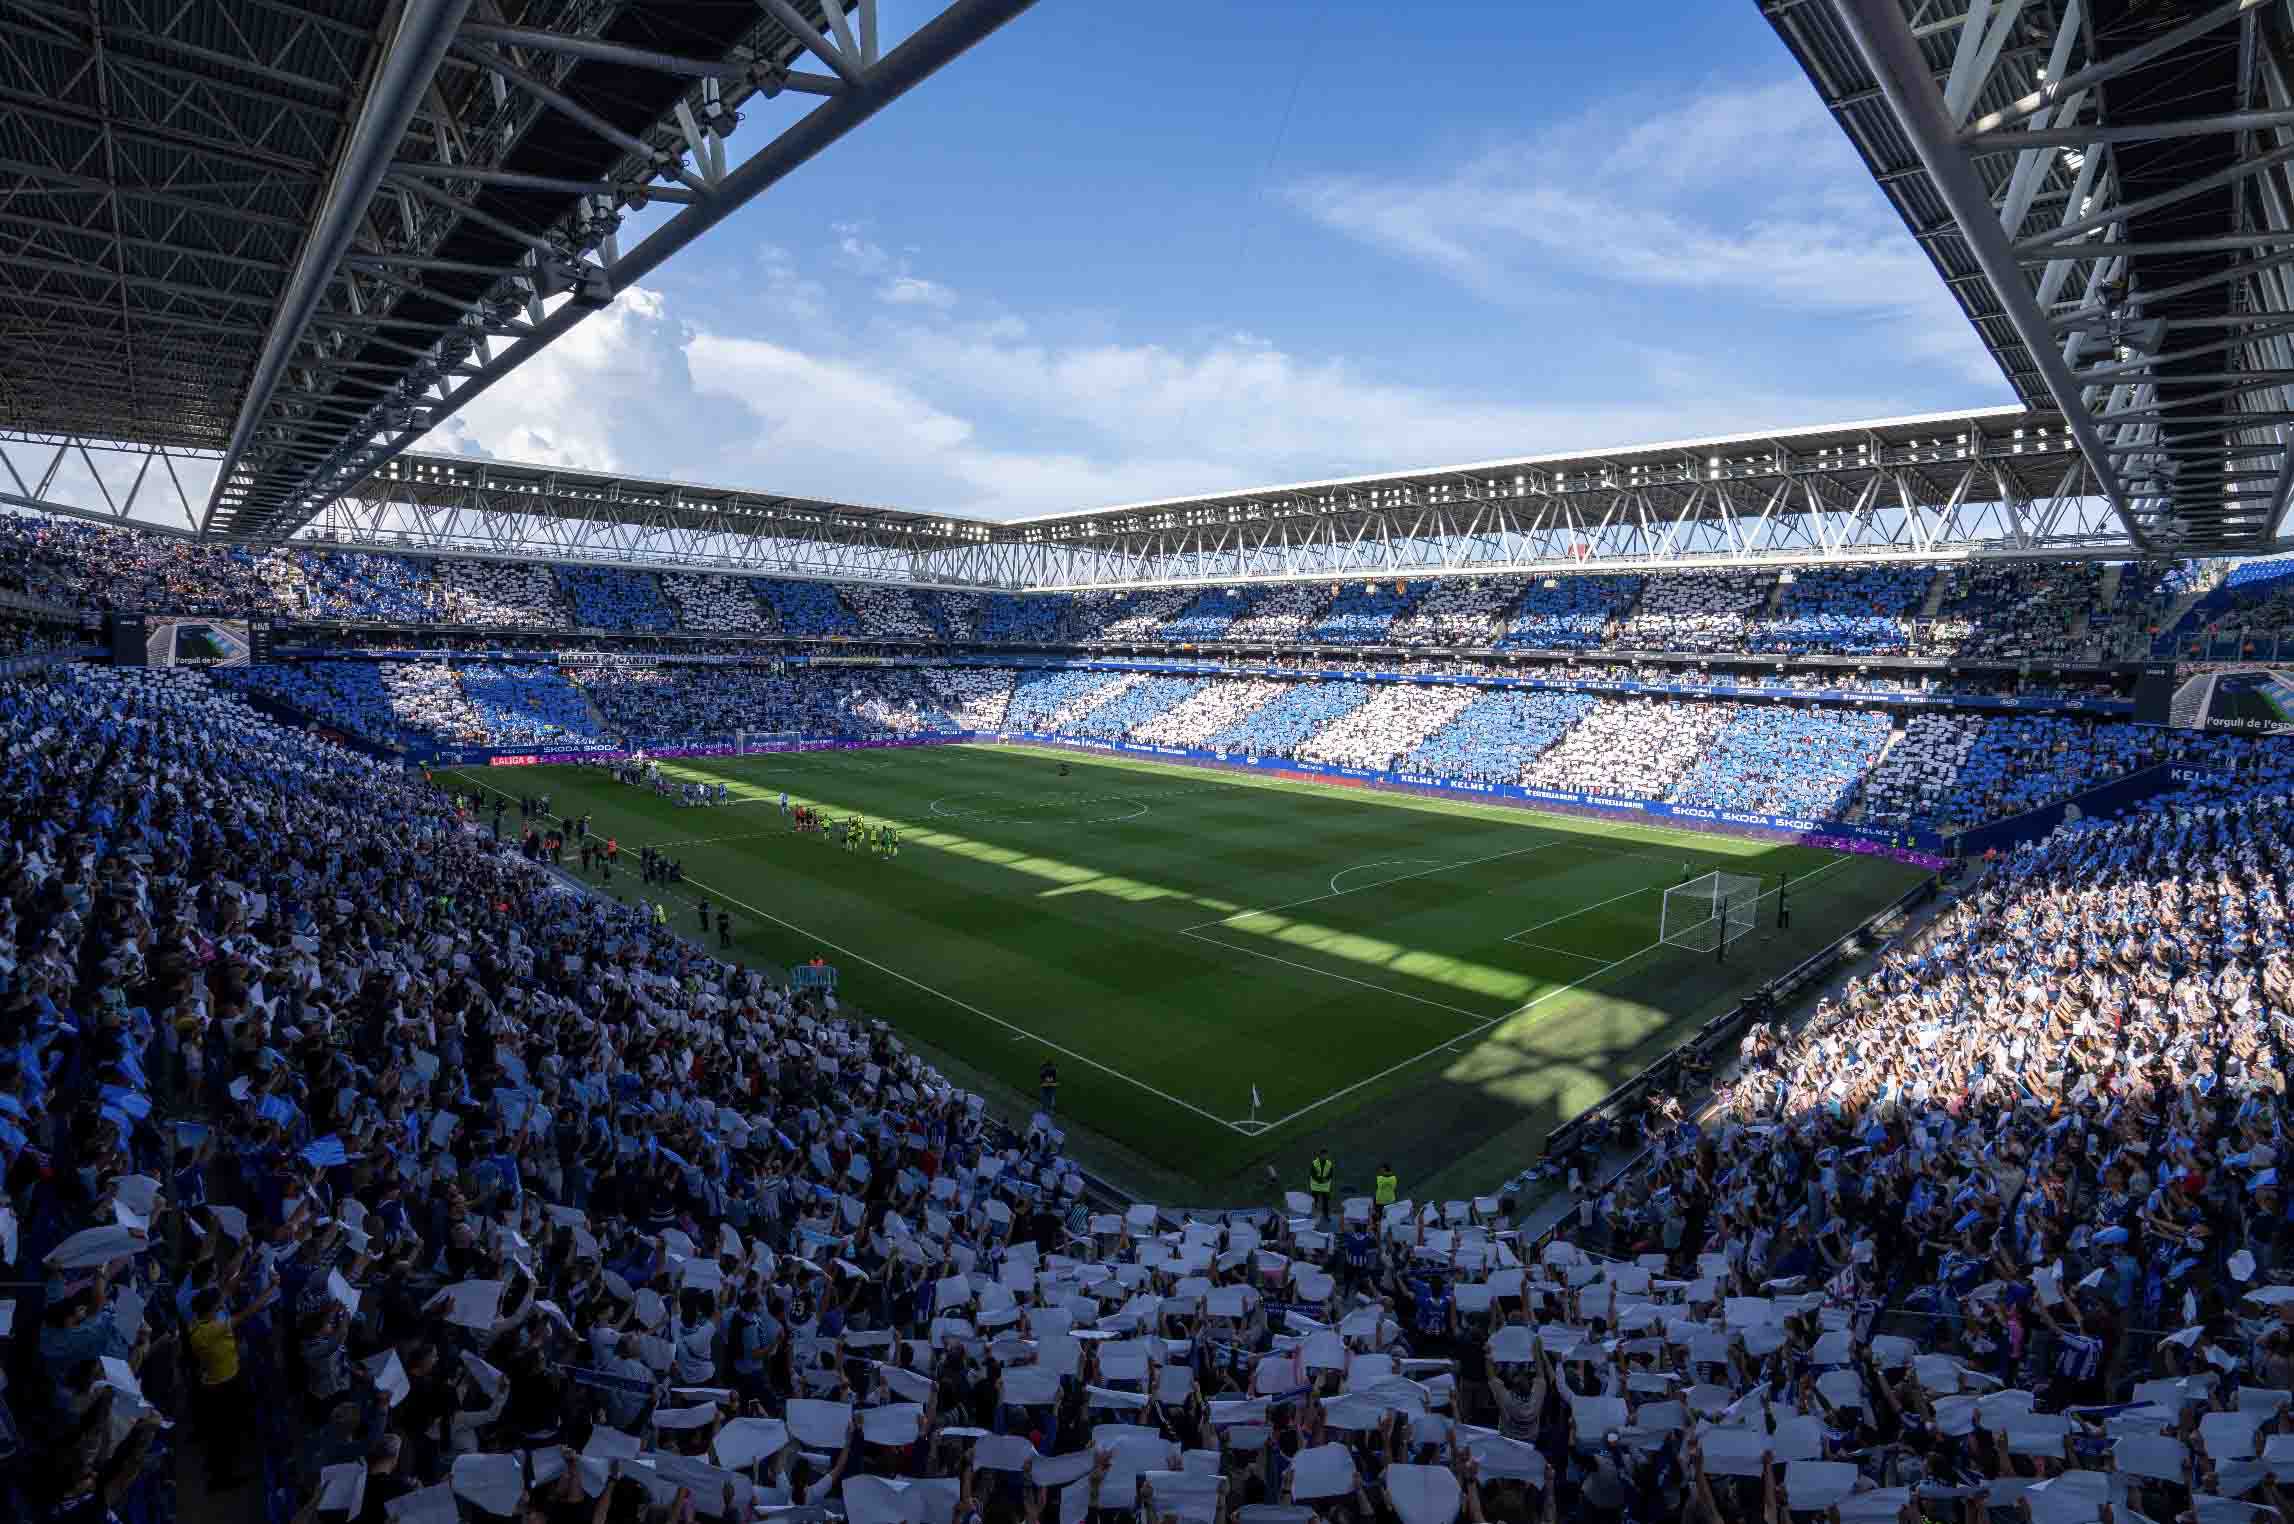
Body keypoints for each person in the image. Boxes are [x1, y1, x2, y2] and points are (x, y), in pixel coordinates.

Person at [1307, 1146, 1336, 1222]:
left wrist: (1325, 1180)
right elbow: (1312, 1174)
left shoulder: (1329, 1164)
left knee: (1325, 1202)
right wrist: (1320, 1180)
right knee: (1314, 1201)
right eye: (1323, 1155)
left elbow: (1330, 1174)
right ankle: (1312, 1214)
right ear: (1320, 1155)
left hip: (1325, 1187)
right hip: (1316, 1186)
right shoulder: (1315, 1163)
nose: (1324, 1156)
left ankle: (1325, 1216)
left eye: (1325, 1155)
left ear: (1327, 1155)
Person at [1373, 1161, 1399, 1225]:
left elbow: (1381, 1185)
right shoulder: (1393, 1178)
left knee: (1382, 1217)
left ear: (1384, 1169)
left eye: (1381, 1169)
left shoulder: (1380, 1178)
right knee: (1384, 1217)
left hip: (1382, 1201)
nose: (1380, 1170)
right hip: (1387, 1200)